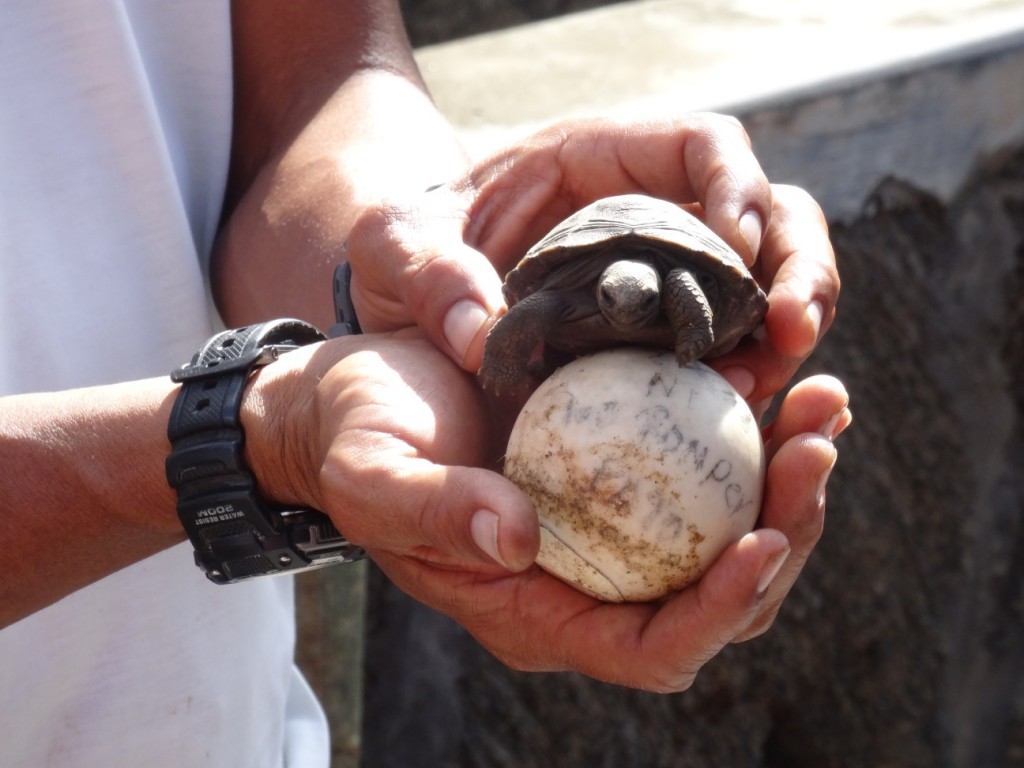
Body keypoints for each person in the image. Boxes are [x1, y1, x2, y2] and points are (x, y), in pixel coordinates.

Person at [0, 1, 849, 765]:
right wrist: (250, 442)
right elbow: (522, 323)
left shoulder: (651, 292)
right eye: (615, 292)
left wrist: (435, 251)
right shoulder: (552, 306)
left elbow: (315, 84)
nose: (626, 303)